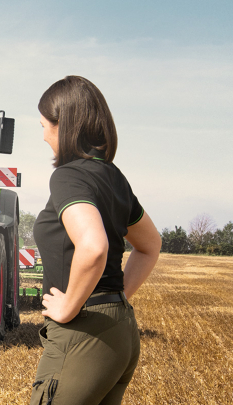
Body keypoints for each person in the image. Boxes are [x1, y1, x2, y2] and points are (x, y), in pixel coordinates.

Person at [29, 76, 161, 405]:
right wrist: (116, 300)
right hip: (120, 333)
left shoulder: (68, 176)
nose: (43, 135)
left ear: (64, 125)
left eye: (44, 124)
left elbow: (94, 246)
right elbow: (150, 245)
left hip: (83, 332)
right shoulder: (113, 177)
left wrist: (70, 306)